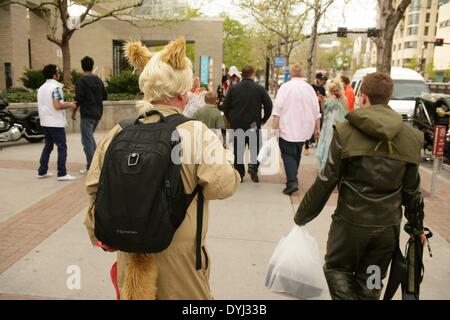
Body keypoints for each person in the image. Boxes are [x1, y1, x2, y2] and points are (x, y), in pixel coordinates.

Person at [84, 37, 240, 300]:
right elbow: (222, 187)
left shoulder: (119, 131)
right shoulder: (194, 133)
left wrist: (100, 234)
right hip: (179, 256)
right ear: (184, 92)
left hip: (128, 251)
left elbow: (93, 187)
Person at [294, 72, 427, 300]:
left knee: (337, 269)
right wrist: (417, 228)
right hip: (387, 229)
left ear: (362, 97)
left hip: (349, 226)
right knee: (373, 278)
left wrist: (302, 216)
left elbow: (326, 181)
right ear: (388, 97)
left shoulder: (346, 132)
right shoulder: (411, 138)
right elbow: (411, 191)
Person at [272, 64, 321, 195]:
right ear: (302, 73)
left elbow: (277, 110)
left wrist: (274, 128)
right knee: (297, 154)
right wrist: (317, 129)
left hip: (287, 128)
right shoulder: (309, 89)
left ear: (291, 73)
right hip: (304, 130)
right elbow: (317, 111)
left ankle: (292, 181)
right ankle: (292, 177)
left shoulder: (285, 87)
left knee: (288, 155)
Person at [222, 65, 273, 183]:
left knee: (238, 149)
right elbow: (269, 105)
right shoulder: (259, 89)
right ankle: (253, 166)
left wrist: (230, 120)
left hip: (237, 123)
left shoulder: (234, 89)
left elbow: (225, 106)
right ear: (253, 74)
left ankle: (239, 173)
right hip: (253, 124)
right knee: (255, 148)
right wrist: (263, 119)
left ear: (242, 74)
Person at [37, 64, 77, 181]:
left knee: (48, 146)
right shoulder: (56, 88)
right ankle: (62, 173)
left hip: (45, 121)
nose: (59, 74)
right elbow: (57, 105)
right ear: (54, 75)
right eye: (58, 72)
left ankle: (42, 170)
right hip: (55, 122)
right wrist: (70, 104)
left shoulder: (41, 88)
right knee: (62, 147)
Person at [72, 56, 108, 175]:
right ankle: (97, 163)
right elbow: (104, 96)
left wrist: (73, 112)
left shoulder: (81, 81)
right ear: (92, 66)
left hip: (87, 114)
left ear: (82, 67)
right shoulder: (98, 80)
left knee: (86, 140)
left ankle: (91, 166)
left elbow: (79, 99)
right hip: (97, 113)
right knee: (90, 138)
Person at [315, 79, 348, 171]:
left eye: (336, 90)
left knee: (332, 144)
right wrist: (322, 101)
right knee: (325, 143)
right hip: (327, 124)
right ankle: (324, 166)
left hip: (336, 124)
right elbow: (324, 110)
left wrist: (340, 99)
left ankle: (330, 166)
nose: (335, 92)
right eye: (333, 91)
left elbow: (345, 112)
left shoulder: (344, 99)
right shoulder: (329, 98)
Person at [304, 72, 327, 155]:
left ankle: (318, 147)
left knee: (319, 129)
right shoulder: (311, 87)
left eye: (323, 80)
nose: (322, 81)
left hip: (319, 110)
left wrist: (322, 98)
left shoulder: (323, 89)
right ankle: (306, 147)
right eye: (320, 80)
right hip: (311, 110)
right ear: (317, 79)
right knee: (308, 127)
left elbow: (324, 98)